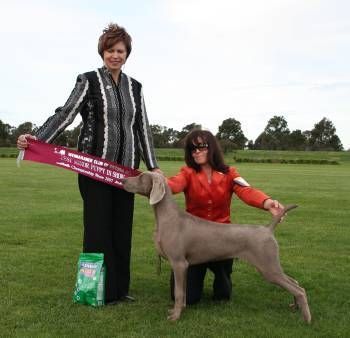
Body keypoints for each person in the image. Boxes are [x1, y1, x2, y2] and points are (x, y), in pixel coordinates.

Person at [17, 23, 160, 304]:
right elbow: (66, 113)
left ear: (127, 54)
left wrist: (152, 165)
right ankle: (94, 290)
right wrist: (38, 138)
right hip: (93, 170)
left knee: (121, 231)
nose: (115, 55)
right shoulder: (88, 80)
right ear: (102, 52)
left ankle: (119, 290)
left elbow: (142, 128)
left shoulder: (136, 87)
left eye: (120, 50)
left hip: (126, 174)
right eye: (110, 50)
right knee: (97, 231)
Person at [167, 129, 284, 305]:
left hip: (223, 238)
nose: (196, 151)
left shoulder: (230, 173)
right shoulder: (187, 173)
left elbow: (247, 191)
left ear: (212, 147)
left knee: (223, 295)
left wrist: (267, 203)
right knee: (188, 298)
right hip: (194, 239)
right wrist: (157, 182)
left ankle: (222, 277)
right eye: (192, 149)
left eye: (201, 147)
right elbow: (173, 185)